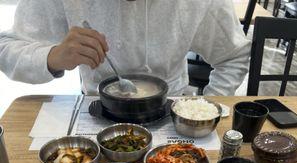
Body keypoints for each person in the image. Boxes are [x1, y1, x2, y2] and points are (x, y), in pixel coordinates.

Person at [0, 0, 250, 96]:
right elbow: (6, 49)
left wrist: (206, 106)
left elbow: (234, 56)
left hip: (172, 108)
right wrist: (52, 57)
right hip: (95, 108)